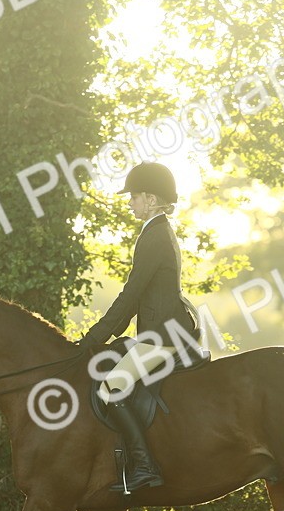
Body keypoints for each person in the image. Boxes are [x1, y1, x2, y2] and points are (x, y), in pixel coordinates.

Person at [75, 162, 198, 493]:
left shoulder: (155, 236)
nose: (130, 202)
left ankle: (144, 466)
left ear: (153, 199)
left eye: (135, 197)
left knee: (112, 386)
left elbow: (131, 295)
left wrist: (93, 337)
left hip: (163, 336)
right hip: (161, 331)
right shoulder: (156, 231)